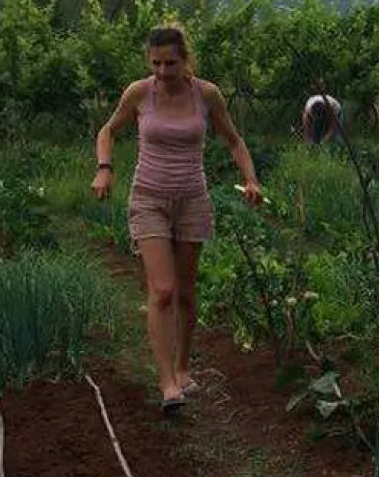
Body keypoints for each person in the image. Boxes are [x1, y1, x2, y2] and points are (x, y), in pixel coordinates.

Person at [92, 24, 264, 413]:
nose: (163, 72)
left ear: (185, 59)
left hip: (192, 201)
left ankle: (184, 367)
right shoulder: (139, 93)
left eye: (171, 63)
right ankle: (168, 382)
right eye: (156, 63)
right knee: (164, 290)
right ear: (148, 61)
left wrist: (250, 179)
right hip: (148, 198)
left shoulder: (207, 95)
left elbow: (234, 140)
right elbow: (108, 130)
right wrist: (104, 167)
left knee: (186, 294)